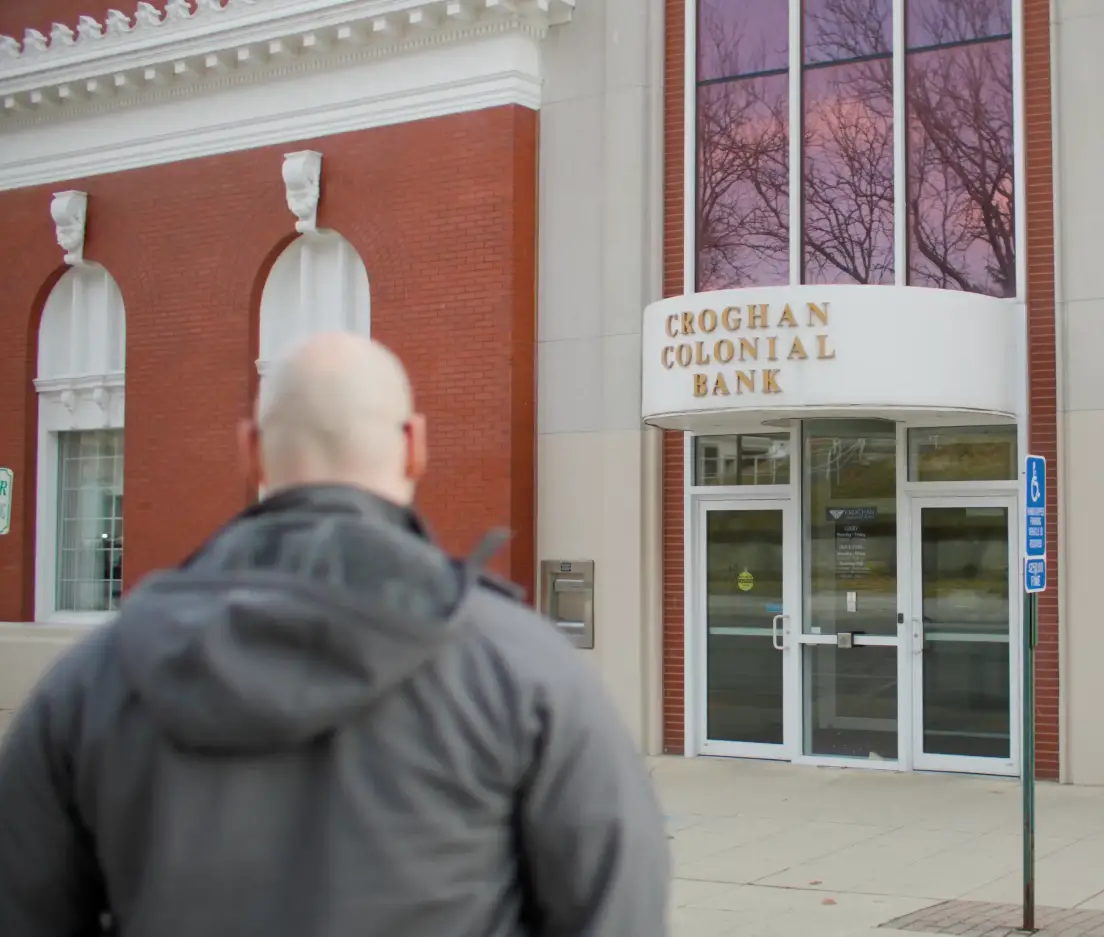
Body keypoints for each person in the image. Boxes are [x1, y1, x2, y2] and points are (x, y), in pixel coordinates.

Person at [0, 332, 671, 936]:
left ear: (251, 450)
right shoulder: (527, 671)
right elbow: (617, 908)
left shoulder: (91, 681)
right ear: (413, 445)